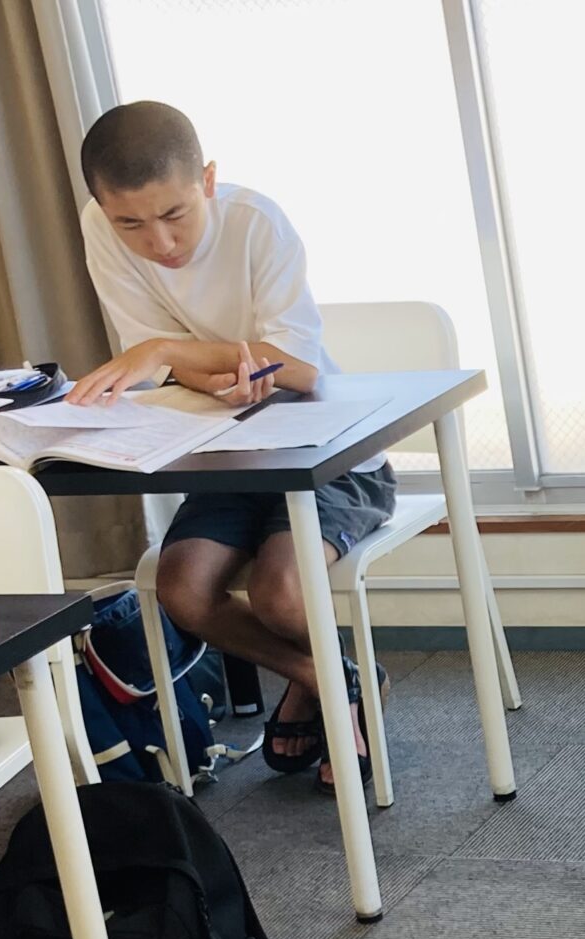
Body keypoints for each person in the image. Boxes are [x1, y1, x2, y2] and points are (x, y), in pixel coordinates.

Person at [67, 99, 391, 790]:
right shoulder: (101, 226)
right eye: (131, 223)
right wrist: (187, 363)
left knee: (280, 591)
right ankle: (330, 677)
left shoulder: (256, 223)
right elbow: (161, 369)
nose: (160, 242)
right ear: (102, 207)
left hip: (328, 452)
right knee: (180, 586)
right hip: (232, 453)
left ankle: (332, 697)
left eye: (175, 213)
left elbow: (296, 369)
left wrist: (165, 351)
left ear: (207, 179)